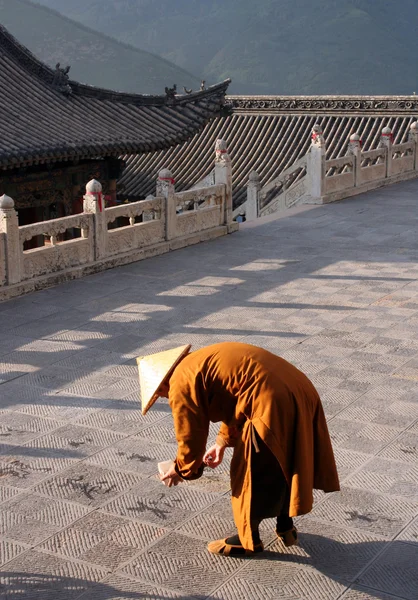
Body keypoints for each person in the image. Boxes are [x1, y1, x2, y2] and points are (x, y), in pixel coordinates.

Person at [137, 342, 340, 556]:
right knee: (283, 461)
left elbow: (190, 434)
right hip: (299, 389)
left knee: (250, 472)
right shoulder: (199, 362)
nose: (164, 397)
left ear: (161, 385)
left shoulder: (180, 382)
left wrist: (182, 469)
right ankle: (285, 526)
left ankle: (248, 539)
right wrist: (221, 443)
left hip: (272, 401)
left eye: (160, 395)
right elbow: (238, 396)